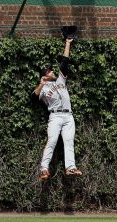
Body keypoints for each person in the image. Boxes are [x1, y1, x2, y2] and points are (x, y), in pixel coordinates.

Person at [35, 35, 82, 181]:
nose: (52, 71)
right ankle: (44, 169)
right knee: (52, 141)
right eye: (49, 71)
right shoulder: (43, 88)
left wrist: (67, 44)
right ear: (45, 75)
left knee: (69, 141)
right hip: (55, 116)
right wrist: (42, 83)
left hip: (68, 116)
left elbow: (64, 63)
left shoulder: (60, 79)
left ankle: (70, 168)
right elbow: (33, 97)